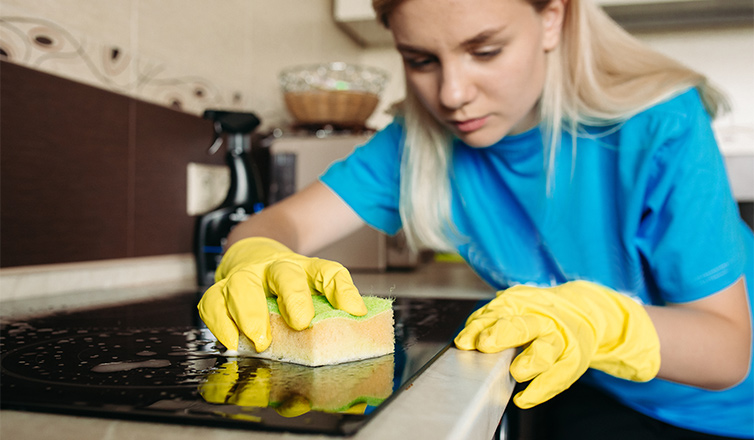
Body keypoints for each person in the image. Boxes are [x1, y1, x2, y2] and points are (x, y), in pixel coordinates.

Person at [197, 0, 754, 438]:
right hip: (600, 382)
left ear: (552, 18)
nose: (453, 95)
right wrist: (258, 257)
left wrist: (603, 320)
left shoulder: (661, 123)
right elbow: (274, 227)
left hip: (725, 409)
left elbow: (727, 351)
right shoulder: (418, 142)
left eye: (485, 51)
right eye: (420, 60)